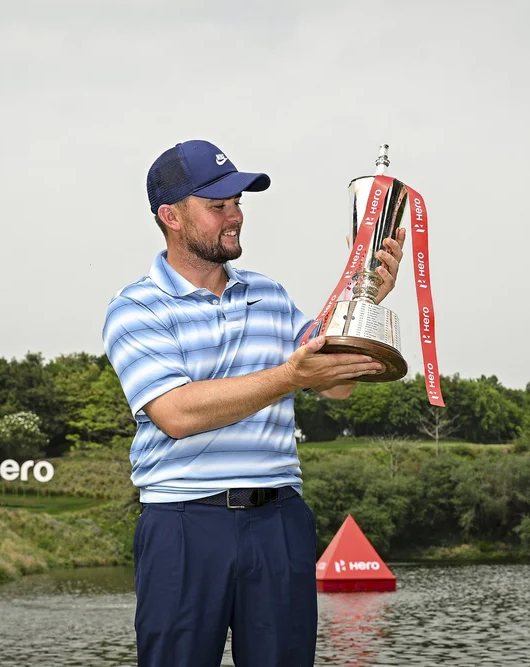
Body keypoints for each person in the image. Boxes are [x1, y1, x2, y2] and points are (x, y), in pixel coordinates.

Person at [101, 139, 406, 667]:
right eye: (218, 206)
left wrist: (365, 299)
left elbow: (336, 383)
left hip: (278, 521)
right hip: (182, 522)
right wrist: (289, 375)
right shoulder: (135, 308)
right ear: (170, 216)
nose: (235, 216)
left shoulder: (271, 293)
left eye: (238, 203)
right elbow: (175, 414)